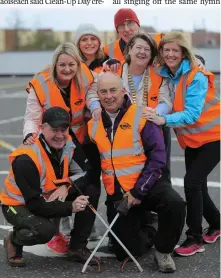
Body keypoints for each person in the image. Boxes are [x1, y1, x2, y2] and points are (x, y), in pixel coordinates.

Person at [87, 72, 186, 273]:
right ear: (98, 95)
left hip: (147, 186)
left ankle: (163, 249)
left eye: (113, 90)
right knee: (127, 252)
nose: (109, 96)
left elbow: (158, 158)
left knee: (175, 204)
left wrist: (138, 192)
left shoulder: (142, 116)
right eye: (103, 92)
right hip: (118, 193)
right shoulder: (93, 125)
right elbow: (90, 163)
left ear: (123, 91)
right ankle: (151, 226)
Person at [145, 31, 220, 256]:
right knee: (199, 187)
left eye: (175, 50)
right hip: (193, 140)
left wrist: (163, 119)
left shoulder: (195, 76)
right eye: (166, 50)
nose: (169, 54)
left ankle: (194, 237)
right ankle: (217, 224)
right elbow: (147, 50)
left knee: (191, 182)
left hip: (213, 138)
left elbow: (192, 114)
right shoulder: (169, 74)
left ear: (183, 52)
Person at [23, 42, 101, 251]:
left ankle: (79, 240)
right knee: (51, 185)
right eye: (62, 65)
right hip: (51, 139)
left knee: (89, 182)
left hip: (77, 137)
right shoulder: (40, 83)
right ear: (54, 65)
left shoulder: (85, 75)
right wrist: (30, 135)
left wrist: (95, 107)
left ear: (78, 64)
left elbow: (93, 93)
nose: (67, 70)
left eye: (71, 65)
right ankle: (55, 231)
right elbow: (32, 116)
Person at [0, 107, 100, 267]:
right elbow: (35, 205)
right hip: (18, 205)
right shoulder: (26, 159)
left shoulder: (69, 143)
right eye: (54, 130)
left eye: (64, 129)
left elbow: (88, 173)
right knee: (44, 230)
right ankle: (14, 240)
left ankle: (77, 247)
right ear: (42, 128)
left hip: (47, 196)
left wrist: (67, 185)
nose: (60, 135)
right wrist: (70, 207)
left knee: (91, 190)